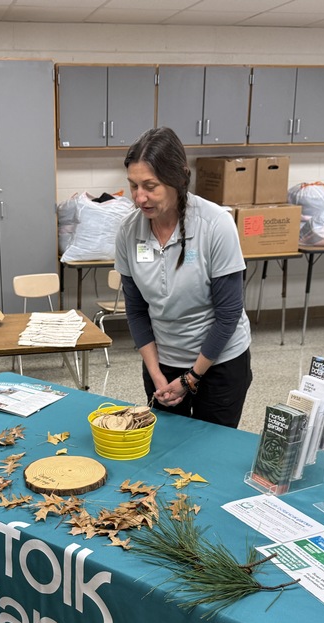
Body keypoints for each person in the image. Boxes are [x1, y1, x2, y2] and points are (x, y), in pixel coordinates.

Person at [115, 126, 253, 428]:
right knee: (167, 449)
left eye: (150, 186)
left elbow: (228, 314)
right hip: (162, 365)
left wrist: (191, 378)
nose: (140, 197)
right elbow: (137, 311)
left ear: (177, 177)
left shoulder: (215, 225)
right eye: (133, 185)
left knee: (211, 452)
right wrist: (156, 375)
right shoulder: (128, 231)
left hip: (219, 364)